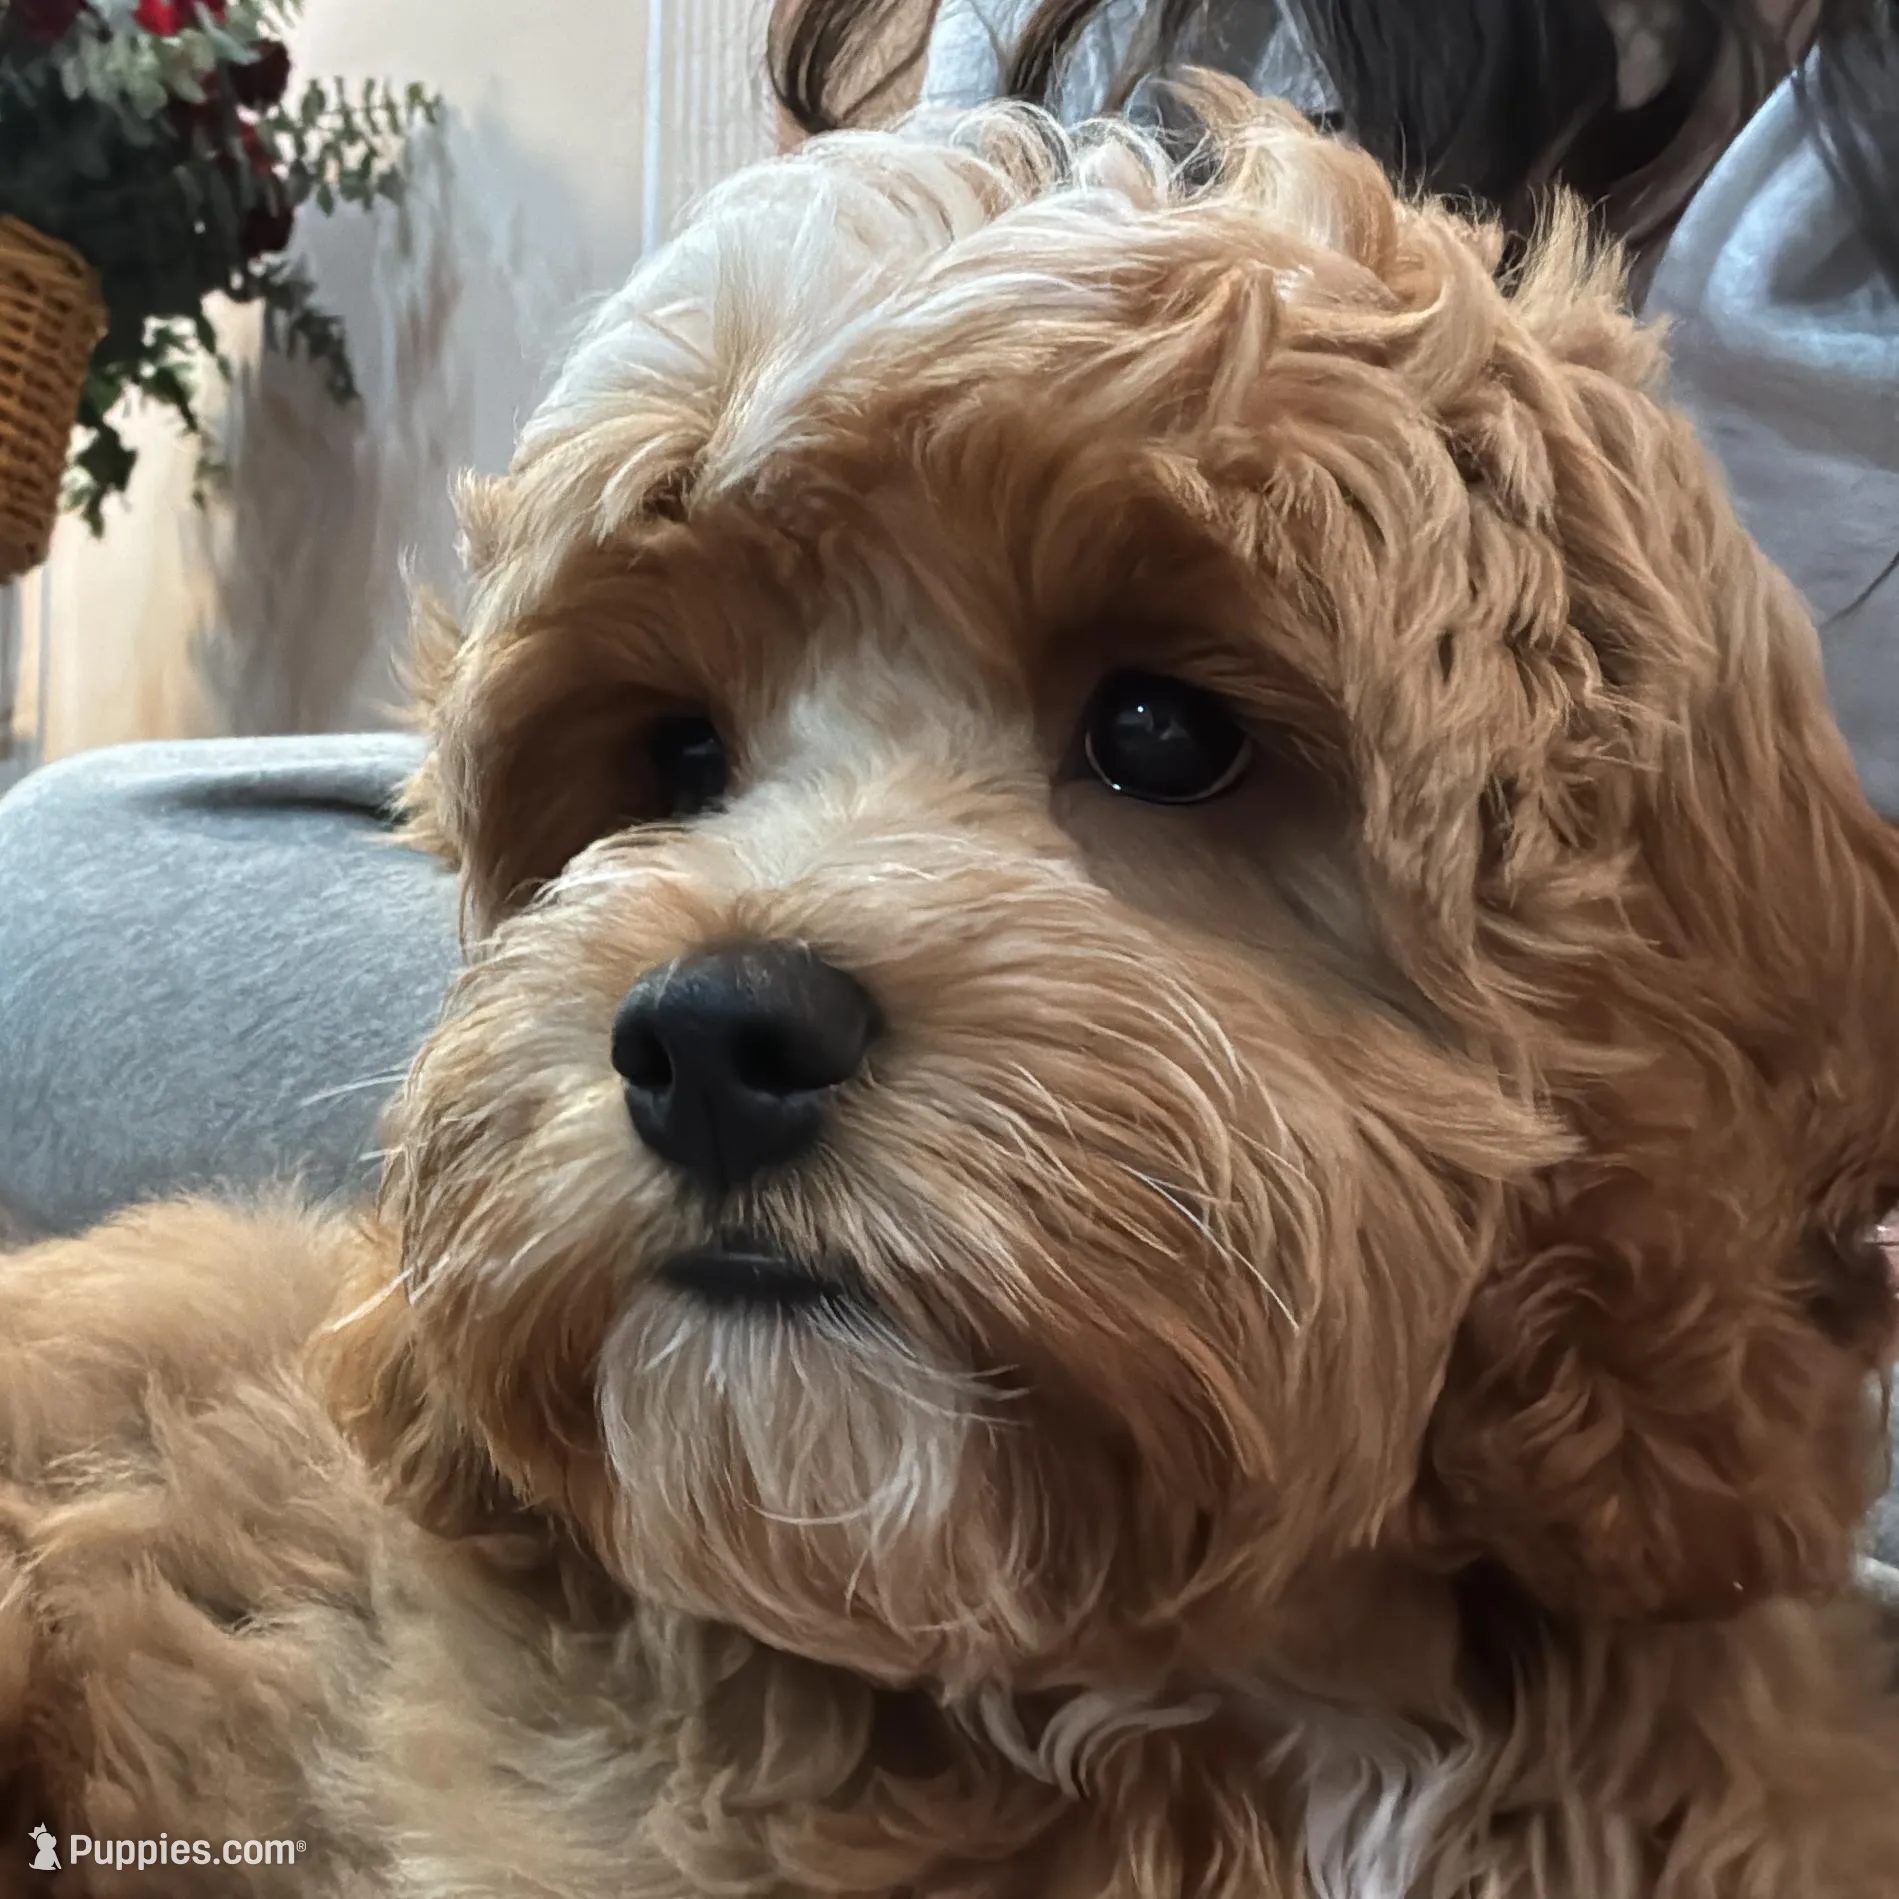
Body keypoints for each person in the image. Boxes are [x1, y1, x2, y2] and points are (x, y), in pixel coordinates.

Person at [1, 0, 1893, 1239]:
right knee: (72, 881)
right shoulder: (1119, 29)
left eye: (1157, 739)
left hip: (1717, 1118)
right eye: (685, 755)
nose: (730, 999)